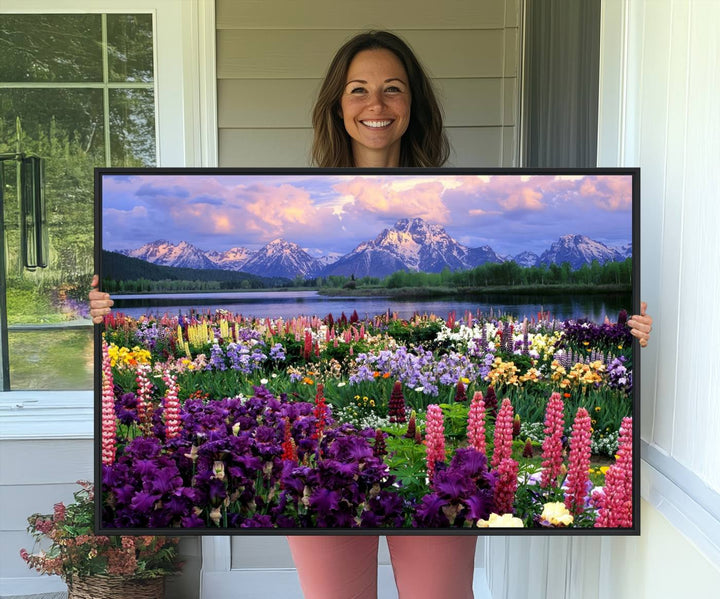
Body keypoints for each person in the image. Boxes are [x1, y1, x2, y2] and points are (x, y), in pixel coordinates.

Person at [89, 30, 653, 599]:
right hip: (322, 459)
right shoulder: (302, 192)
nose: (376, 105)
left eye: (393, 89)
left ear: (413, 105)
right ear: (338, 104)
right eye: (358, 90)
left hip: (441, 478)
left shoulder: (451, 192)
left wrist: (628, 335)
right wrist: (100, 310)